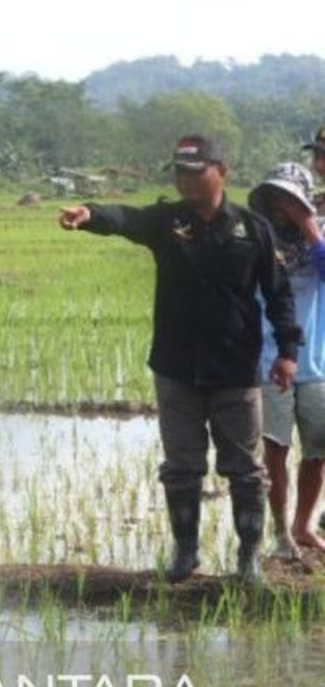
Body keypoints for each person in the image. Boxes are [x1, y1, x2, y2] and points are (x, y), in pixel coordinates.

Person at [58, 135, 301, 585]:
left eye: (195, 171)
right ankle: (185, 552)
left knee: (246, 470)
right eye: (180, 172)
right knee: (182, 466)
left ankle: (248, 560)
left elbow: (278, 293)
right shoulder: (166, 221)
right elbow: (126, 218)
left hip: (235, 367)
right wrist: (91, 214)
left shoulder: (252, 228)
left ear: (221, 171)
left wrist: (288, 352)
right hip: (176, 366)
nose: (186, 180)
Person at [249, 163, 325, 559]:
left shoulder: (320, 238)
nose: (283, 206)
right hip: (270, 359)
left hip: (317, 363)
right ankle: (281, 534)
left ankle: (304, 525)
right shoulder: (257, 240)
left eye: (291, 199)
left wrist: (309, 225)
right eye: (276, 197)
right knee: (275, 448)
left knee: (318, 451)